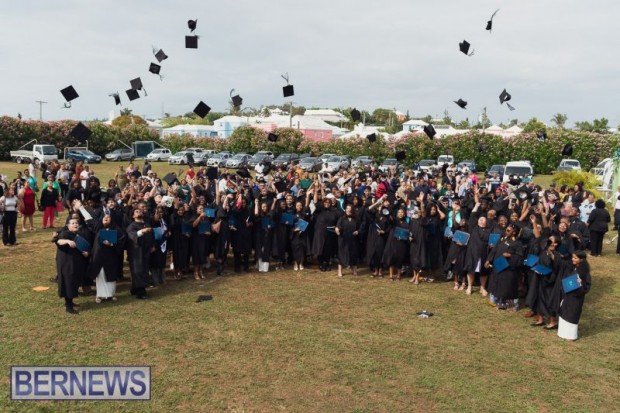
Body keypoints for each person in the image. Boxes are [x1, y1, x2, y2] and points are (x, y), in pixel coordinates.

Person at [86, 213, 126, 303]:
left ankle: (111, 295)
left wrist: (111, 244)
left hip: (111, 257)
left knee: (111, 275)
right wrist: (81, 208)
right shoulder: (98, 228)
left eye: (108, 217)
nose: (106, 218)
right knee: (100, 276)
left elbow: (122, 239)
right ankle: (99, 295)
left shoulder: (117, 229)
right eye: (104, 217)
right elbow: (89, 220)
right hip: (99, 257)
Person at [553, 251, 592, 341]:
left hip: (576, 298)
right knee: (564, 313)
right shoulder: (572, 267)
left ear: (581, 260)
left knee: (572, 314)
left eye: (575, 258)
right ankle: (563, 333)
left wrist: (580, 283)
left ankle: (571, 335)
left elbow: (586, 287)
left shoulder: (585, 273)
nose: (573, 259)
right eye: (572, 257)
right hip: (567, 295)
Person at [55, 218, 89, 314]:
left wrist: (86, 253)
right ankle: (68, 307)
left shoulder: (78, 235)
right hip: (66, 263)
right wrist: (67, 241)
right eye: (73, 223)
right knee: (68, 283)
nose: (75, 224)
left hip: (76, 263)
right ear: (68, 226)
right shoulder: (64, 234)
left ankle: (71, 302)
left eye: (77, 223)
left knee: (74, 282)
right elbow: (59, 241)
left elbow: (83, 247)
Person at [126, 208, 155, 299]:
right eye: (137, 211)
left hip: (146, 250)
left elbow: (152, 235)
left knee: (144, 269)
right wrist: (142, 231)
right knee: (137, 270)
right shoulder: (131, 226)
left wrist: (152, 245)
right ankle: (141, 293)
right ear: (133, 215)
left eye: (140, 211)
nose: (139, 212)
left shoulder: (147, 224)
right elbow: (132, 236)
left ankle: (134, 289)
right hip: (136, 251)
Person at [335, 204, 360, 277]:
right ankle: (340, 271)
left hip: (353, 239)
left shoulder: (356, 219)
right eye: (347, 208)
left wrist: (358, 231)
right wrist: (337, 230)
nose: (348, 210)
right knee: (342, 254)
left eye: (350, 208)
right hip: (343, 239)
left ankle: (354, 270)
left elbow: (360, 228)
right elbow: (337, 227)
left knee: (353, 254)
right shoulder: (342, 218)